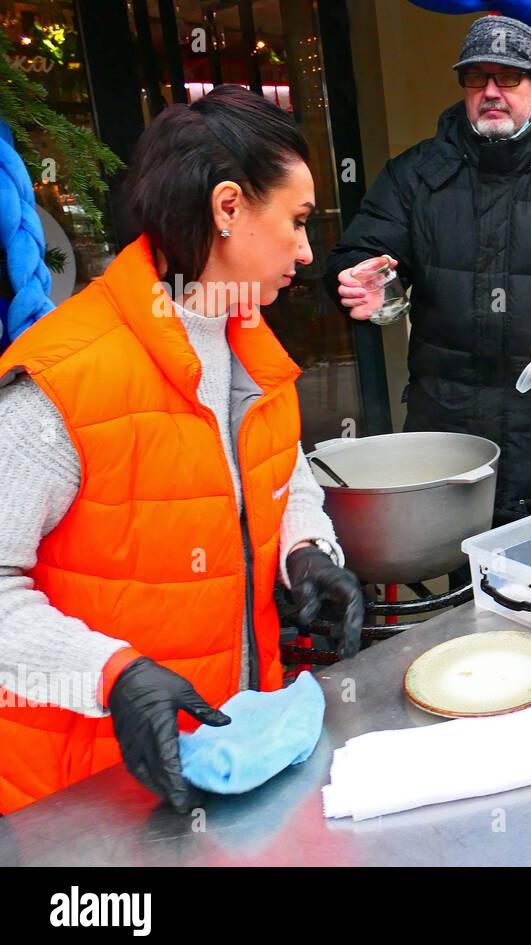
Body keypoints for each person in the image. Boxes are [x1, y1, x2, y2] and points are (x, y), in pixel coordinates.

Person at [0, 85, 364, 816]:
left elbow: (281, 481)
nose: (305, 249)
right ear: (228, 208)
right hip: (85, 798)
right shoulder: (61, 381)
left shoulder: (252, 346)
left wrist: (306, 551)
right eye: (295, 222)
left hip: (228, 758)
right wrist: (111, 675)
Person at [326, 15, 531, 531]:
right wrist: (358, 277)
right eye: (476, 78)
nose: (490, 92)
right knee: (464, 577)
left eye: (507, 77)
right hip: (449, 433)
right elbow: (363, 252)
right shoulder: (416, 175)